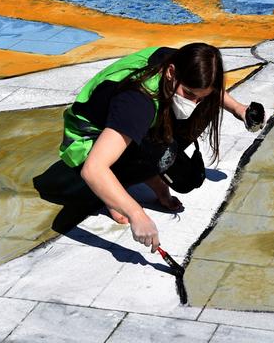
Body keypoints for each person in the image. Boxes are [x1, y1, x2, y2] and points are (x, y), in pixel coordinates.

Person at [56, 43, 262, 253]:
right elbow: (93, 169)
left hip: (123, 120)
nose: (194, 102)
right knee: (159, 157)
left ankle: (145, 171)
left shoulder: (182, 61)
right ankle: (115, 190)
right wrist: (137, 214)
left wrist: (238, 108)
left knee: (183, 164)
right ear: (171, 72)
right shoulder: (137, 101)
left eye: (200, 96)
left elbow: (207, 88)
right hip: (86, 145)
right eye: (189, 94)